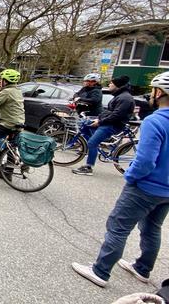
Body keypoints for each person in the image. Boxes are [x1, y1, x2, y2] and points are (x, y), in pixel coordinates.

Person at [71, 71, 169, 288]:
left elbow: (145, 161)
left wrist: (131, 177)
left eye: (153, 90)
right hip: (166, 191)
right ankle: (142, 268)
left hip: (145, 186)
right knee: (153, 227)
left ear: (159, 92)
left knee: (118, 226)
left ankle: (100, 271)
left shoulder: (155, 121)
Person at [72, 75, 135, 176]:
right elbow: (109, 111)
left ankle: (88, 167)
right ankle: (93, 147)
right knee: (87, 126)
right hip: (108, 122)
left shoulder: (125, 98)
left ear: (117, 86)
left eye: (111, 83)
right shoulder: (119, 96)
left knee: (92, 143)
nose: (109, 84)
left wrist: (100, 122)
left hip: (112, 125)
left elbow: (116, 115)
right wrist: (99, 118)